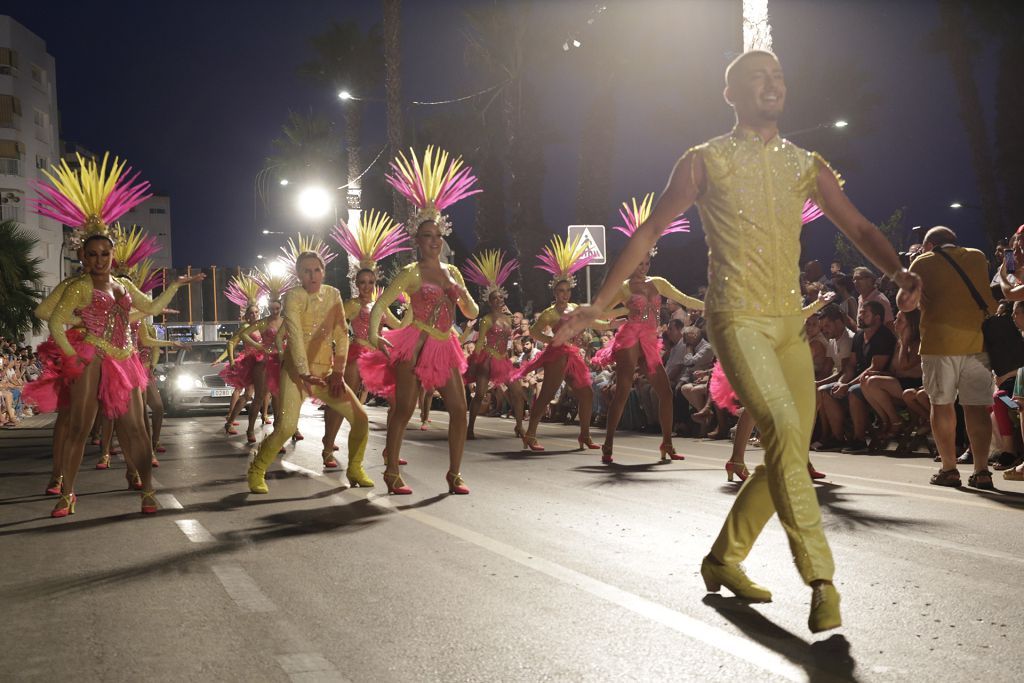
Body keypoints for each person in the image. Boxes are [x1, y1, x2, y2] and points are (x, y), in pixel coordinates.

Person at [556, 50, 920, 633]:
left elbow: (860, 228)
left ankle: (723, 560)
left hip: (788, 326)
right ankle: (822, 579)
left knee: (789, 452)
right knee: (779, 426)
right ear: (730, 93)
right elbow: (650, 230)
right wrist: (599, 305)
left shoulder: (807, 163)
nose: (772, 84)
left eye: (778, 75)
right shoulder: (704, 160)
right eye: (758, 76)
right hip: (736, 318)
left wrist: (900, 272)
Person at [28, 152, 203, 516]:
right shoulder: (77, 286)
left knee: (135, 429)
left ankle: (147, 490)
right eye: (92, 254)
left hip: (125, 360)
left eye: (105, 253)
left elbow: (151, 309)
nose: (99, 259)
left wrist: (177, 286)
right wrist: (73, 352)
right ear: (83, 256)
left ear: (112, 254)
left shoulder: (123, 284)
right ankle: (68, 493)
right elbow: (55, 321)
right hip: (92, 358)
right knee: (79, 426)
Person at [360, 146, 481, 495]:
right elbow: (381, 304)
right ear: (417, 240)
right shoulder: (411, 273)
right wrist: (374, 337)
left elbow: (472, 313)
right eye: (427, 236)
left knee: (460, 410)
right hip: (415, 345)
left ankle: (454, 474)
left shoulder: (453, 271)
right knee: (404, 410)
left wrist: (458, 290)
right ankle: (390, 472)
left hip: (445, 346)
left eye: (437, 236)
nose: (433, 241)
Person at [246, 242, 373, 494]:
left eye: (316, 270)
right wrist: (303, 373)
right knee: (286, 428)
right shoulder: (292, 296)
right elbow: (293, 334)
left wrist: (338, 371)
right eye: (306, 271)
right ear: (298, 274)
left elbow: (341, 334)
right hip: (295, 373)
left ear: (323, 272)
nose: (312, 275)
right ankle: (257, 468)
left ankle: (355, 468)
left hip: (326, 373)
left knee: (361, 419)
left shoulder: (334, 294)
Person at [590, 193, 703, 464]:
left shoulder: (659, 283)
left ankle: (667, 443)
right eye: (638, 263)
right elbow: (601, 311)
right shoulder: (625, 287)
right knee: (622, 389)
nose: (642, 267)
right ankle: (607, 444)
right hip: (630, 337)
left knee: (664, 392)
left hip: (650, 341)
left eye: (646, 263)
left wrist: (711, 304)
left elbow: (686, 299)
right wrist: (624, 312)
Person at [897, 226, 997, 490]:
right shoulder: (977, 256)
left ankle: (949, 469)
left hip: (939, 344)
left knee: (942, 406)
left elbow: (904, 303)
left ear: (929, 245)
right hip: (977, 342)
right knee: (976, 407)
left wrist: (909, 270)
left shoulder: (923, 261)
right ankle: (982, 471)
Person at [515, 234, 615, 451]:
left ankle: (585, 435)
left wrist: (612, 324)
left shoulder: (574, 308)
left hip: (573, 357)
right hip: (556, 355)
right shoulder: (549, 314)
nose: (564, 294)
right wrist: (551, 339)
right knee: (547, 394)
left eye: (567, 290)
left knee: (586, 394)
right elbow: (533, 332)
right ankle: (530, 434)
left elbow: (594, 321)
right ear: (554, 292)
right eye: (560, 291)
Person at [327, 209, 411, 463]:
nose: (366, 287)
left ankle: (390, 450)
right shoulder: (351, 305)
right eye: (362, 282)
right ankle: (328, 446)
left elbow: (398, 327)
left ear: (375, 284)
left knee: (398, 402)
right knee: (344, 399)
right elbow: (333, 327)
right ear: (356, 282)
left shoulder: (379, 307)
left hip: (377, 355)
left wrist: (412, 309)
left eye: (370, 283)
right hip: (356, 353)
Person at [462, 249, 527, 440]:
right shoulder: (486, 319)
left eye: (501, 297)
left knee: (518, 392)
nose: (499, 300)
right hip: (487, 358)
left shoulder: (508, 319)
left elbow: (509, 340)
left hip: (503, 360)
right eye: (495, 298)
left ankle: (519, 426)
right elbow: (480, 341)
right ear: (490, 302)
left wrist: (508, 356)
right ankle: (470, 427)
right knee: (480, 393)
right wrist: (476, 361)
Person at [818, 300, 896, 453]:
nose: (860, 316)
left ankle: (859, 439)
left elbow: (875, 367)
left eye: (865, 313)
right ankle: (837, 437)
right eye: (860, 312)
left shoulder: (883, 336)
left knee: (853, 391)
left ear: (877, 317)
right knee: (826, 390)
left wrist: (847, 385)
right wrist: (841, 383)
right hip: (856, 379)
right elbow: (851, 366)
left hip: (877, 381)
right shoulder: (860, 336)